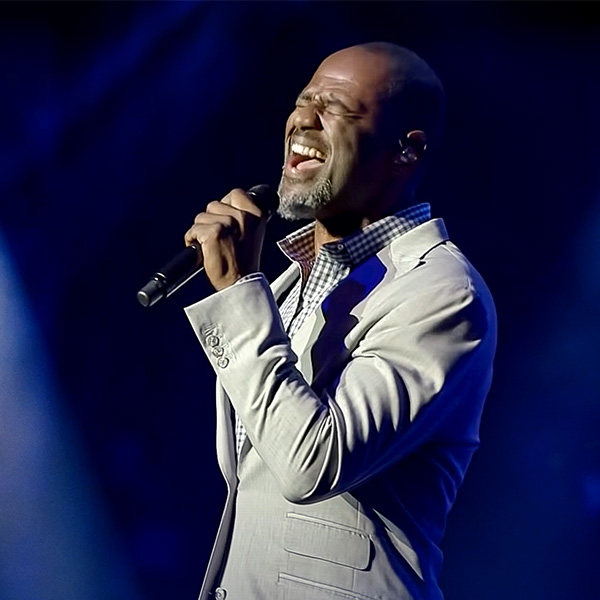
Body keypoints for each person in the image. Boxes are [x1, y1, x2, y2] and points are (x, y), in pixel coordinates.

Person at [183, 42, 496, 600]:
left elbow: (311, 464)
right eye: (303, 101)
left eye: (336, 107)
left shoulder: (442, 293)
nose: (303, 119)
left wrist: (236, 292)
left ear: (406, 150)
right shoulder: (291, 281)